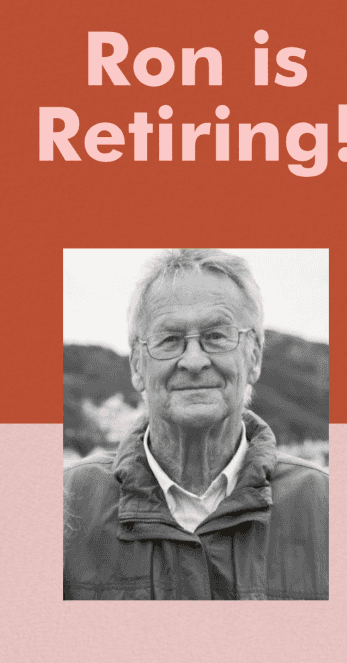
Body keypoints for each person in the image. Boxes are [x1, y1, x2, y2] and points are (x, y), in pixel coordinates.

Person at [63, 249, 327, 600]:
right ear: (137, 365)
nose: (193, 360)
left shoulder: (323, 506)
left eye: (216, 336)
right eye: (170, 339)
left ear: (255, 356)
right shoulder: (69, 505)